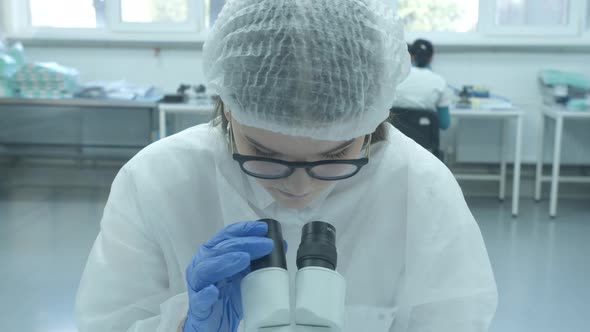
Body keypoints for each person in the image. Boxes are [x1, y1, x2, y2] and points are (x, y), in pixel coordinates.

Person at [75, 1, 497, 331]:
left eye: (333, 157)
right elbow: (110, 322)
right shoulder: (157, 180)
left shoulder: (419, 187)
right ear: (227, 106)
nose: (298, 188)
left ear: (373, 119)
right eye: (265, 154)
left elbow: (453, 320)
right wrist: (186, 327)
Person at [392, 39, 453, 130]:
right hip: (425, 142)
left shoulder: (396, 77)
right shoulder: (440, 82)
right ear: (431, 58)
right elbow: (444, 124)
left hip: (393, 140)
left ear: (410, 56)